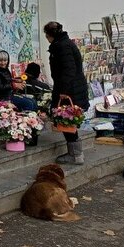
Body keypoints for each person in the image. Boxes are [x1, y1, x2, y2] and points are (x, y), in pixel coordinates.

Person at [44, 21, 89, 164]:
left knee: (67, 119)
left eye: (46, 34)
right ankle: (75, 153)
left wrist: (63, 90)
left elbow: (69, 70)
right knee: (68, 120)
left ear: (50, 35)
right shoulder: (64, 43)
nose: (46, 37)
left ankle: (76, 155)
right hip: (72, 88)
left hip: (69, 90)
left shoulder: (62, 46)